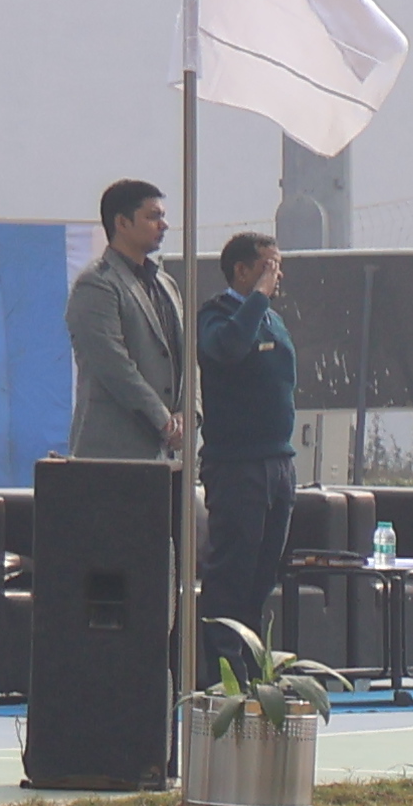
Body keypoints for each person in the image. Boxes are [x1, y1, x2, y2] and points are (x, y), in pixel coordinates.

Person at [193, 232, 298, 657]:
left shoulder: (271, 319)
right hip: (236, 466)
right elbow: (229, 349)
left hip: (278, 463)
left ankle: (252, 667)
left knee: (261, 576)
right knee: (231, 574)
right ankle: (222, 674)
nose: (277, 275)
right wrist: (257, 298)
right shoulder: (216, 317)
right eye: (268, 266)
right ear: (242, 270)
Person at [65, 178, 189, 466]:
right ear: (122, 223)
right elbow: (113, 365)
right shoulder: (97, 285)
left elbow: (187, 359)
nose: (164, 225)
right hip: (112, 452)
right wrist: (163, 420)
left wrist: (188, 415)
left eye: (163, 216)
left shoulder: (166, 284)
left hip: (165, 455)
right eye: (153, 216)